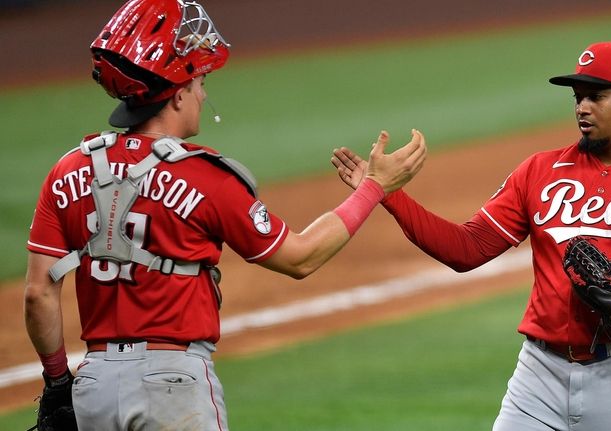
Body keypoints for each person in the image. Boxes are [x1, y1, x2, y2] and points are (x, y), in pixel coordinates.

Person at [23, 1, 426, 430]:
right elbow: (300, 256)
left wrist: (56, 381)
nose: (203, 93)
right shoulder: (203, 177)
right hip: (172, 388)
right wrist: (374, 188)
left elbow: (38, 294)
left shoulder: (69, 171)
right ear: (177, 94)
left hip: (94, 388)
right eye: (198, 81)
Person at [331, 41, 611, 430]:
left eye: (596, 96)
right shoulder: (540, 172)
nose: (582, 106)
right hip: (539, 377)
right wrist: (386, 194)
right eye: (577, 96)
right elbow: (466, 249)